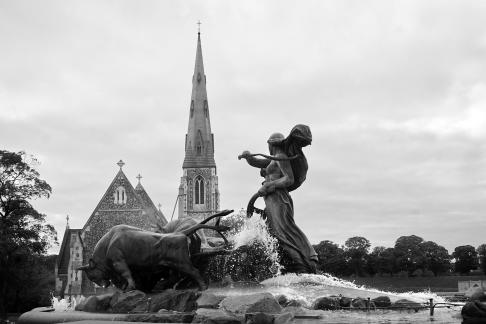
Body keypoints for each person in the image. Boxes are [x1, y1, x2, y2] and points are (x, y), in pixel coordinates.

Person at [240, 130, 318, 273]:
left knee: (282, 231)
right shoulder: (275, 158)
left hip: (279, 198)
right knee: (272, 231)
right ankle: (289, 264)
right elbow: (259, 162)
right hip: (271, 198)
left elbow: (289, 178)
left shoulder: (281, 157)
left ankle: (302, 263)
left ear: (271, 144)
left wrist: (271, 185)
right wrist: (248, 158)